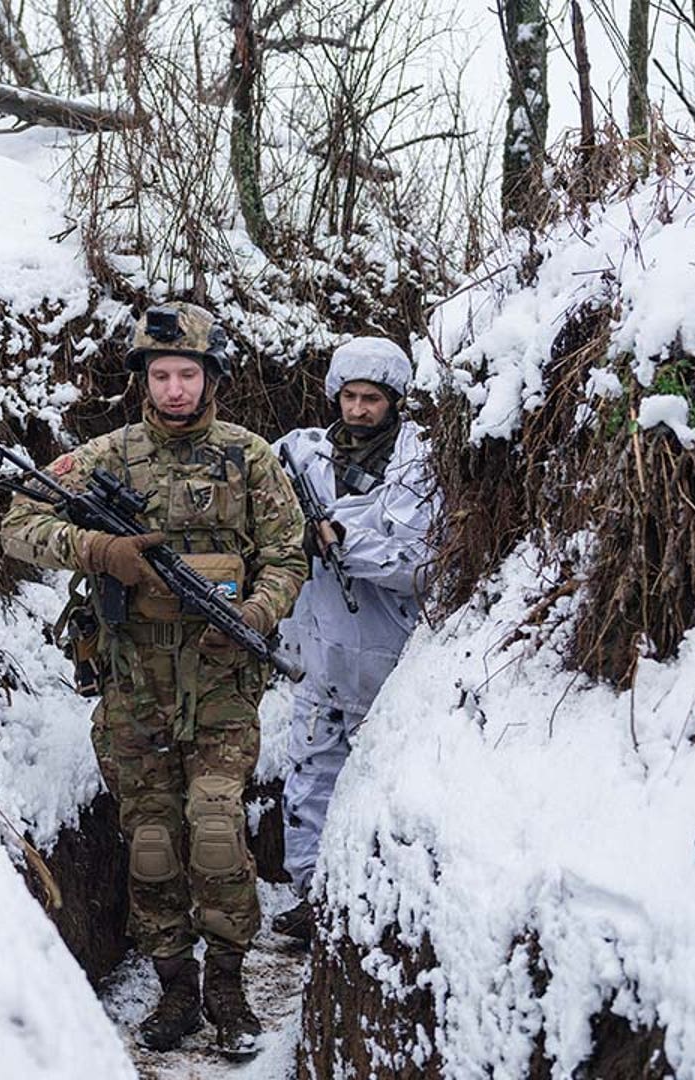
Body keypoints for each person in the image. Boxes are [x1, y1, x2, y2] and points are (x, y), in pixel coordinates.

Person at [1, 302, 309, 1057]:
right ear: (145, 378)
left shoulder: (250, 458)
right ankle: (175, 989)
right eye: (162, 374)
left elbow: (289, 554)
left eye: (188, 374)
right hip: (134, 682)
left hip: (222, 683)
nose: (175, 388)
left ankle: (228, 987)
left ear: (212, 379)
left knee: (212, 827)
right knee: (148, 840)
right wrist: (100, 553)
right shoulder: (106, 456)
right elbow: (19, 525)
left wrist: (260, 613)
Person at [269, 336, 436, 943]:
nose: (359, 409)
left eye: (372, 398)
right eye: (350, 396)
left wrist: (342, 541)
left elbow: (417, 560)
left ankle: (363, 900)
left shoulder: (417, 463)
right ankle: (311, 896)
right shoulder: (302, 454)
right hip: (315, 651)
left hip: (386, 656)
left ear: (395, 401)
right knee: (310, 775)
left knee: (376, 783)